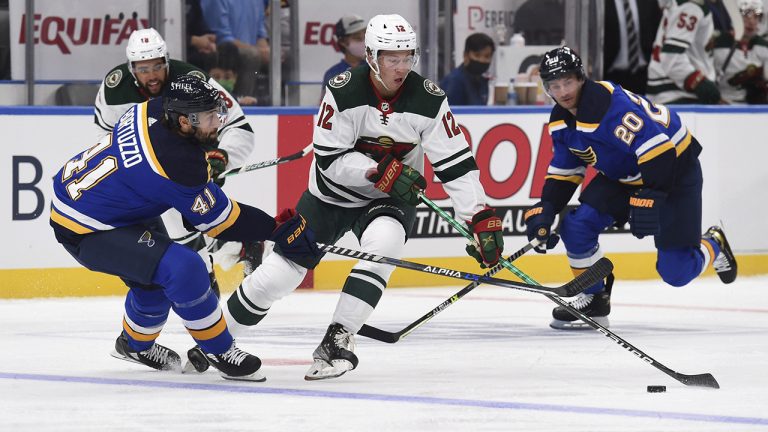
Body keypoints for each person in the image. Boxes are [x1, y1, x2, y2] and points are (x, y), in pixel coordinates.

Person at [218, 14, 504, 380]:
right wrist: (376, 170)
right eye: (392, 58)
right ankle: (216, 341)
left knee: (383, 246)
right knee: (280, 276)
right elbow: (329, 158)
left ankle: (338, 338)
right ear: (371, 56)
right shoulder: (342, 90)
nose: (401, 67)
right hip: (330, 197)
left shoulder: (430, 100)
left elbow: (456, 163)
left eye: (407, 57)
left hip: (388, 200)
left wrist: (478, 217)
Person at [50, 75, 319, 380]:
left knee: (152, 278)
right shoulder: (178, 163)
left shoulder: (152, 108)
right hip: (88, 227)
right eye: (208, 117)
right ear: (184, 122)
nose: (217, 122)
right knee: (184, 268)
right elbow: (221, 222)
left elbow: (182, 189)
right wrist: (276, 228)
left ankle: (134, 345)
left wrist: (200, 174)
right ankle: (220, 349)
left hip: (105, 201)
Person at [525, 46, 738, 330]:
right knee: (575, 226)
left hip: (673, 171)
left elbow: (660, 152)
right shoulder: (561, 121)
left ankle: (713, 242)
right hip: (624, 175)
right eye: (555, 85)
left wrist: (652, 195)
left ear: (581, 79)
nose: (563, 91)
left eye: (568, 82)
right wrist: (547, 208)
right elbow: (567, 170)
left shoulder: (607, 106)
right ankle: (594, 298)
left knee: (676, 272)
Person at [94, 28, 264, 294]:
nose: (151, 75)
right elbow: (109, 139)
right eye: (143, 68)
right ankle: (240, 246)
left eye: (157, 66)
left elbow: (240, 128)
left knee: (180, 219)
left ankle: (203, 284)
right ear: (131, 67)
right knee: (180, 224)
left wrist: (221, 156)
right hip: (152, 164)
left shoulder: (192, 80)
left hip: (195, 159)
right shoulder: (114, 89)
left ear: (167, 62)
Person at [646, 0, 724, 104]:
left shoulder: (684, 4)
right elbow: (672, 56)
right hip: (677, 93)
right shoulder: (691, 8)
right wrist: (700, 84)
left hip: (667, 92)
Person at [200, 0, 270, 98]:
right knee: (251, 55)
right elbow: (221, 37)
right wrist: (258, 51)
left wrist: (267, 51)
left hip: (250, 50)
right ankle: (242, 102)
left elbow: (260, 34)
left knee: (279, 58)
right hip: (219, 49)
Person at [713, 0, 768, 104]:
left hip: (753, 108)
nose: (751, 21)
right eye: (746, 14)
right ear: (735, 16)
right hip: (721, 105)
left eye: (756, 16)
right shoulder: (717, 44)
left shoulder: (764, 47)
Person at [603, 0, 663, 94]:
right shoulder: (600, 3)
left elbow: (657, 30)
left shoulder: (648, 2)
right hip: (610, 76)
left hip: (644, 76)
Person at [439, 33, 495, 106]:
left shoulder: (481, 81)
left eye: (487, 56)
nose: (482, 60)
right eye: (477, 55)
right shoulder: (454, 82)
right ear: (465, 55)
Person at [322, 14, 367, 87]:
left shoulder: (375, 68)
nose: (364, 41)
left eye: (365, 36)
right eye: (357, 37)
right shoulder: (333, 74)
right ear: (342, 42)